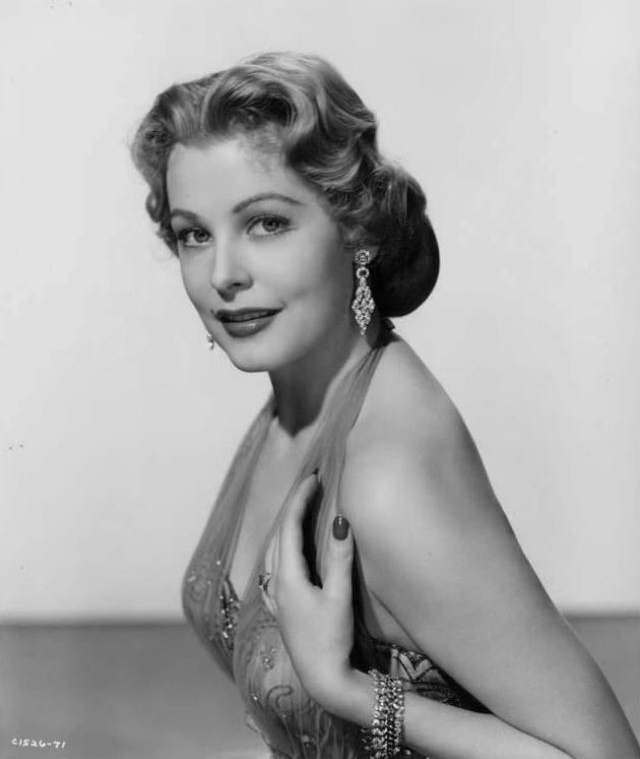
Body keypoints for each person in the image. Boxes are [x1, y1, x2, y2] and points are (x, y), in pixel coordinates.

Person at [130, 52, 639, 759]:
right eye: (195, 234)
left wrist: (348, 691)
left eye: (267, 223)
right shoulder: (297, 402)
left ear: (356, 231)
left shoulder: (388, 476)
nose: (222, 275)